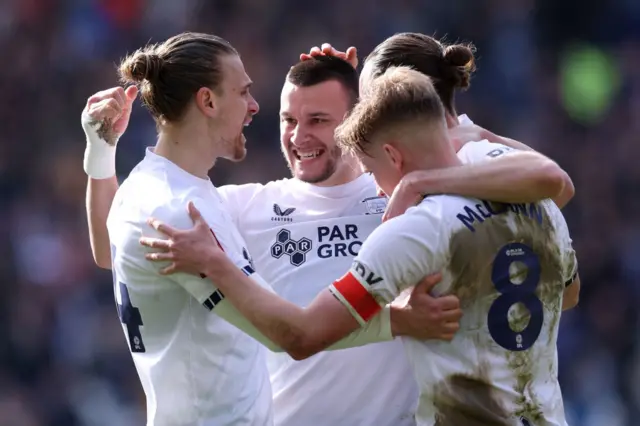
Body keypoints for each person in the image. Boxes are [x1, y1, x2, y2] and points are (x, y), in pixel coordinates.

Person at [85, 51, 575, 426]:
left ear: (360, 122)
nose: (299, 136)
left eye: (319, 120)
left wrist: (438, 138)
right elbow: (116, 248)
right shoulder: (243, 207)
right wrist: (102, 154)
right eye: (288, 120)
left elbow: (551, 181)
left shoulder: (406, 198)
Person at [300, 34, 576, 218]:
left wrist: (419, 183)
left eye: (369, 102)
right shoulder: (460, 144)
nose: (368, 114)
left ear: (402, 91)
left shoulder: (469, 148)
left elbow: (559, 187)